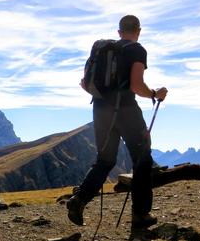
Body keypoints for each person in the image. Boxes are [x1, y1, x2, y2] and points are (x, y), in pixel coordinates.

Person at [65, 15, 168, 228]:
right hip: (126, 111)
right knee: (142, 159)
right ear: (138, 30)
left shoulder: (102, 50)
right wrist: (154, 94)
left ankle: (79, 200)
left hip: (101, 110)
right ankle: (141, 215)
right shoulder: (137, 50)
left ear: (119, 31)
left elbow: (85, 84)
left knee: (105, 160)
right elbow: (137, 85)